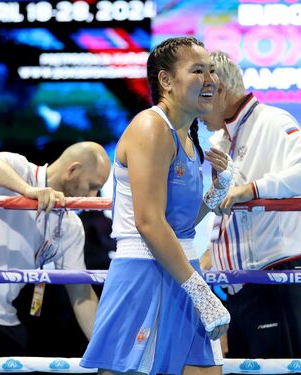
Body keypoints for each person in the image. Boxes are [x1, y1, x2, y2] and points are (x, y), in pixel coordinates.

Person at [81, 37, 232, 375]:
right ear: (166, 81)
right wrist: (200, 291)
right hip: (146, 272)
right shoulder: (151, 127)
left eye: (211, 70)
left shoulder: (188, 136)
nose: (210, 79)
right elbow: (148, 222)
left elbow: (178, 223)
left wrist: (216, 191)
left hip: (181, 267)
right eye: (197, 70)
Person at [199, 51, 301, 359]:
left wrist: (254, 189)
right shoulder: (220, 139)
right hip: (236, 288)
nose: (196, 107)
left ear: (218, 89)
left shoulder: (272, 120)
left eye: (200, 94)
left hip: (274, 280)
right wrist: (209, 255)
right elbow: (228, 212)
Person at [0, 142, 111, 369]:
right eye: (92, 186)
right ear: (72, 170)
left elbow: (81, 295)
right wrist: (27, 191)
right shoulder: (20, 170)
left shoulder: (71, 226)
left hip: (5, 321)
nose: (93, 197)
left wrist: (108, 353)